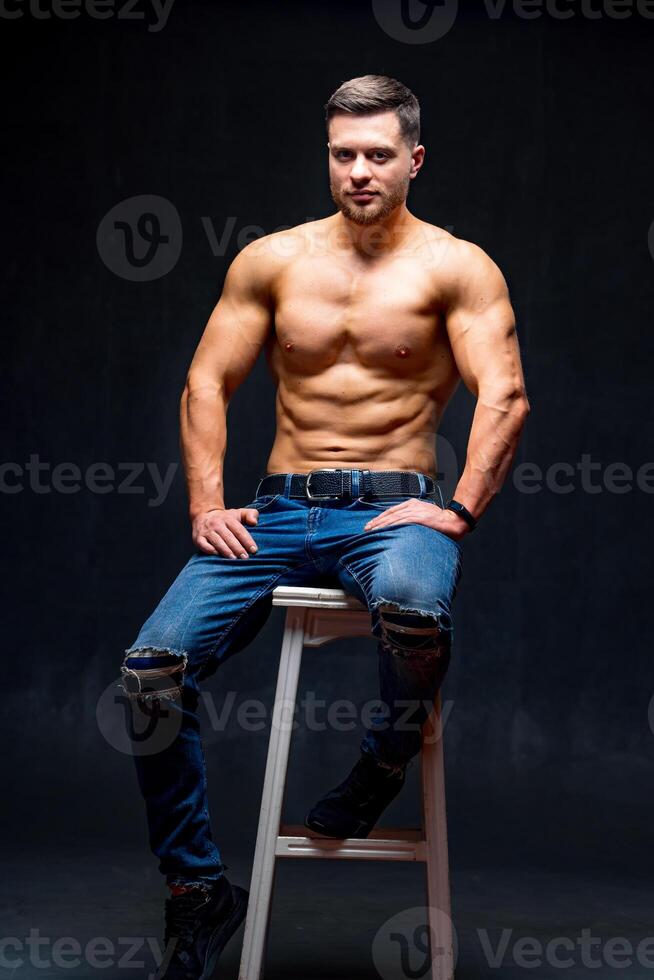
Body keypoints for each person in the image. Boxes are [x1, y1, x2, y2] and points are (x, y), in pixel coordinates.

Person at [120, 74, 530, 979]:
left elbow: (504, 393)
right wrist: (204, 502)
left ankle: (381, 763)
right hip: (276, 510)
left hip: (393, 511)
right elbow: (205, 383)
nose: (358, 171)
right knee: (149, 678)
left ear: (414, 160)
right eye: (343, 154)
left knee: (417, 613)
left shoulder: (457, 267)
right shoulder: (272, 260)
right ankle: (198, 891)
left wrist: (457, 505)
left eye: (378, 154)